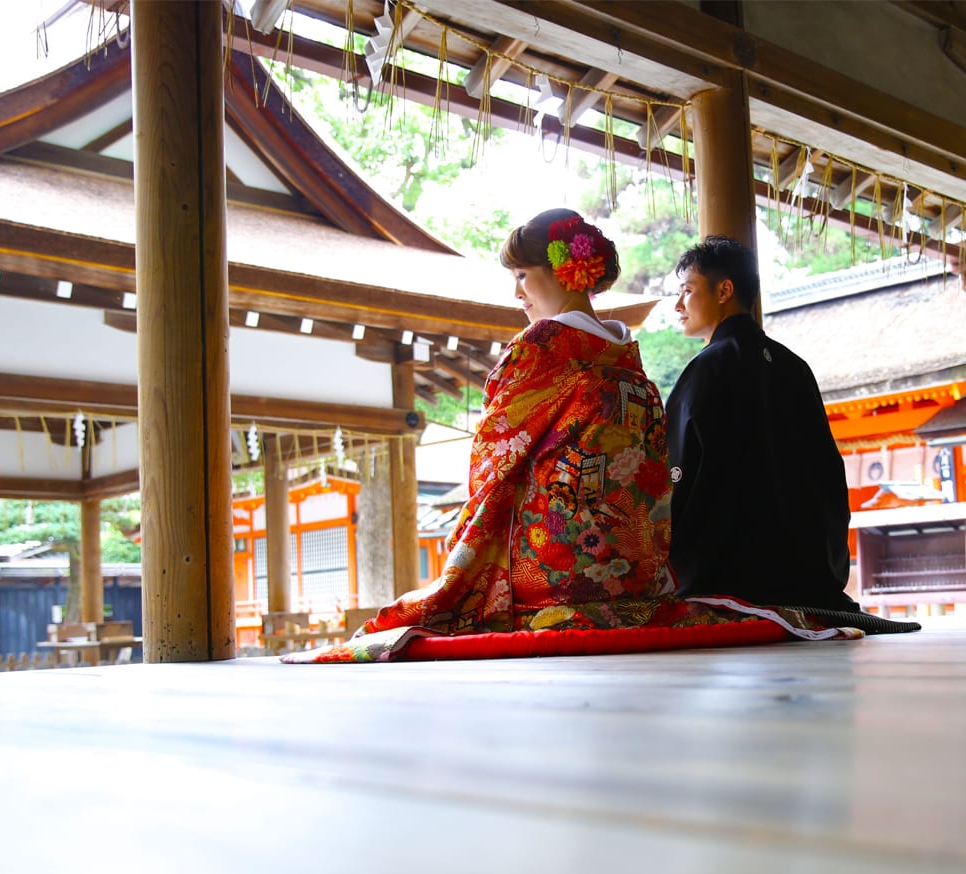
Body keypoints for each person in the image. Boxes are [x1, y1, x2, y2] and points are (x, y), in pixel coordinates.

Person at [359, 208, 674, 636]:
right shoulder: (627, 357)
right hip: (634, 563)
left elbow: (495, 449)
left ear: (564, 270)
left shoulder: (541, 346)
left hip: (560, 568)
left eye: (523, 275)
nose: (517, 293)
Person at [666, 235, 859, 611]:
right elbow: (829, 476)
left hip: (729, 579)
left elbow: (676, 472)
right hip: (809, 578)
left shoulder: (707, 368)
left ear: (724, 290)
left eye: (687, 291)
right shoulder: (795, 367)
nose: (678, 305)